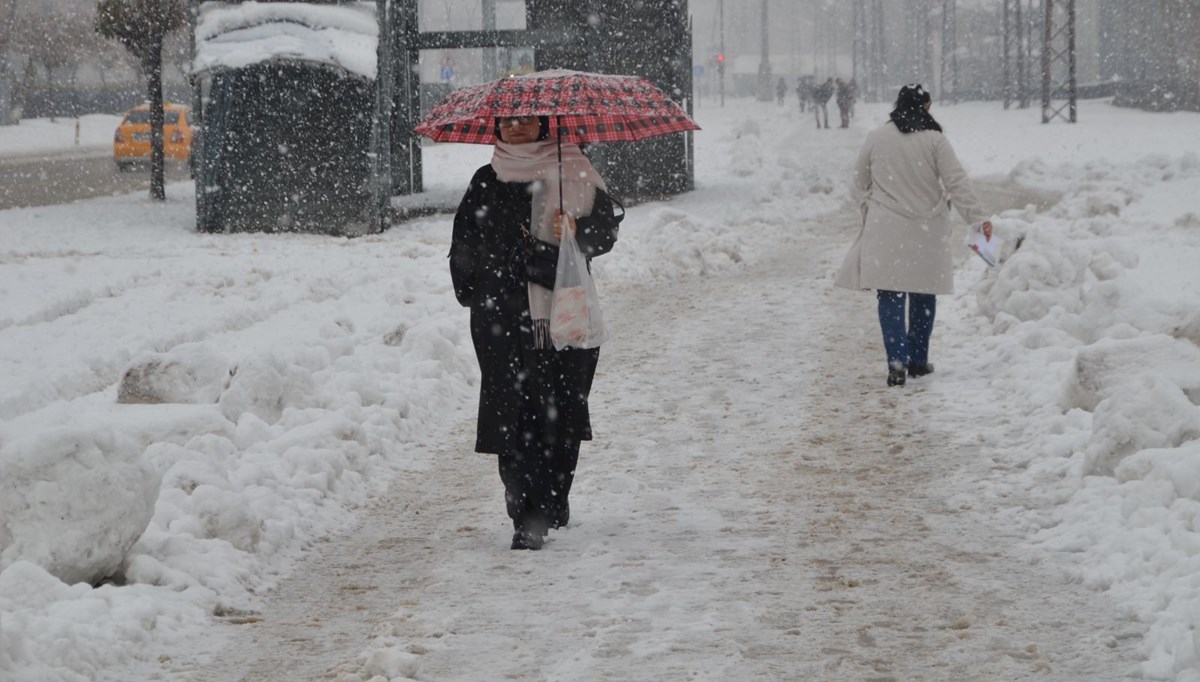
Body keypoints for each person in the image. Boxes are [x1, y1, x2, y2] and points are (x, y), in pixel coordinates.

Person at [450, 115, 623, 550]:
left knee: (562, 412)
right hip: (503, 320)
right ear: (497, 129)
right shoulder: (486, 181)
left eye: (529, 120)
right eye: (510, 122)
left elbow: (606, 231)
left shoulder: (573, 169)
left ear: (546, 124)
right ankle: (526, 513)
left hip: (563, 314)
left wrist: (579, 232)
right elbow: (464, 245)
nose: (520, 128)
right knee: (512, 413)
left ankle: (553, 498)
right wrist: (481, 286)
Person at [833, 84, 993, 387]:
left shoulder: (877, 137)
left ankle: (896, 361)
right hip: (926, 231)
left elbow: (857, 182)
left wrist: (872, 206)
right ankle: (918, 360)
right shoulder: (935, 140)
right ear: (925, 106)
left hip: (886, 229)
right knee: (922, 293)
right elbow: (956, 183)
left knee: (890, 294)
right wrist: (978, 218)